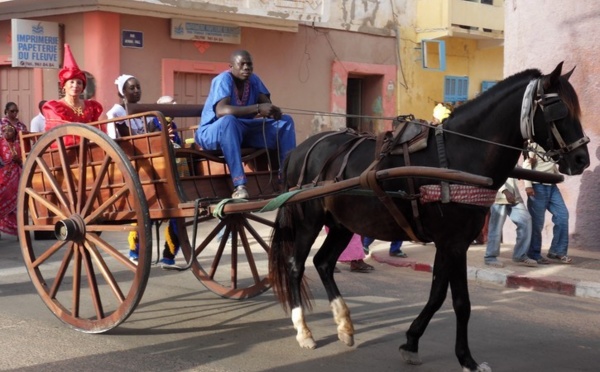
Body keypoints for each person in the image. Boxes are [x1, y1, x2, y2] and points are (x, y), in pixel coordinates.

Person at [195, 49, 296, 199]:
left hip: (242, 130)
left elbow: (266, 103)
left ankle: (287, 177)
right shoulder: (223, 79)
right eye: (242, 64)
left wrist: (272, 111)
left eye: (249, 64)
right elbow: (221, 111)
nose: (246, 68)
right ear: (231, 66)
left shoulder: (254, 80)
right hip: (213, 132)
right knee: (229, 120)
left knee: (285, 122)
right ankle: (239, 185)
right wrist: (257, 108)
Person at [42, 44, 103, 146]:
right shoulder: (55, 108)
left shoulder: (91, 107)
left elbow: (97, 128)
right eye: (71, 82)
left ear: (83, 87)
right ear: (64, 86)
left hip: (91, 149)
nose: (75, 86)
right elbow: (59, 137)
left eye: (79, 83)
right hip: (67, 153)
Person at [523, 142, 572, 264]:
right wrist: (528, 186)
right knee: (537, 223)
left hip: (552, 186)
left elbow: (553, 164)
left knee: (562, 215)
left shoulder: (554, 145)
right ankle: (534, 254)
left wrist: (556, 175)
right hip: (537, 186)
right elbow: (527, 163)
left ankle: (557, 251)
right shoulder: (533, 145)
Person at [484, 177, 538, 267]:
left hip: (514, 196)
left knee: (526, 220)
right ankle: (490, 257)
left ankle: (520, 255)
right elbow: (494, 175)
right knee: (496, 227)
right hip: (499, 196)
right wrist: (505, 191)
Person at [0, 123, 22, 236]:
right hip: (4, 174)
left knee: (17, 204)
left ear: (14, 133)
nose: (7, 133)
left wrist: (17, 159)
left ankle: (17, 228)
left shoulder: (19, 145)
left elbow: (23, 161)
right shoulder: (0, 143)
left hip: (17, 175)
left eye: (10, 131)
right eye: (5, 131)